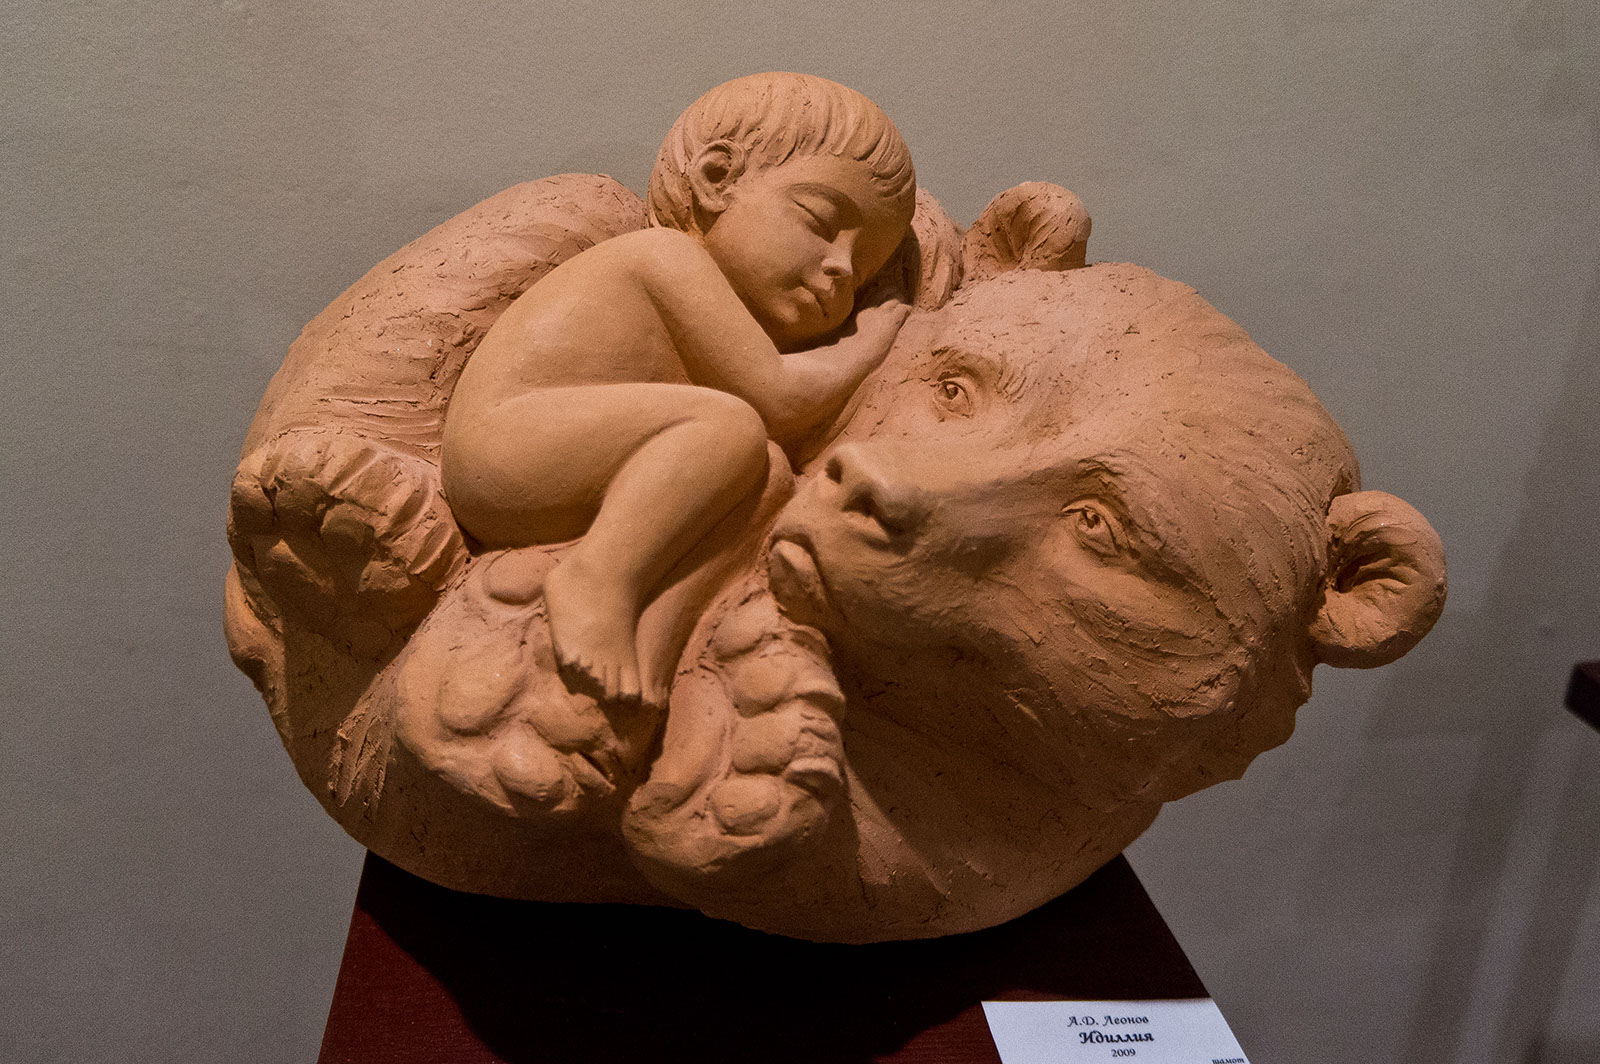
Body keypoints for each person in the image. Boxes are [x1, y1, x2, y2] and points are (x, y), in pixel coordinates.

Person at [442, 73, 917, 708]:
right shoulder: (667, 256)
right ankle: (594, 580)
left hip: (568, 456)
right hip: (502, 448)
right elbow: (777, 398)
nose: (841, 268)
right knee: (730, 427)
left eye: (863, 272)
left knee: (768, 475)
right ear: (718, 179)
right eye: (820, 221)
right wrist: (871, 337)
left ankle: (655, 646)